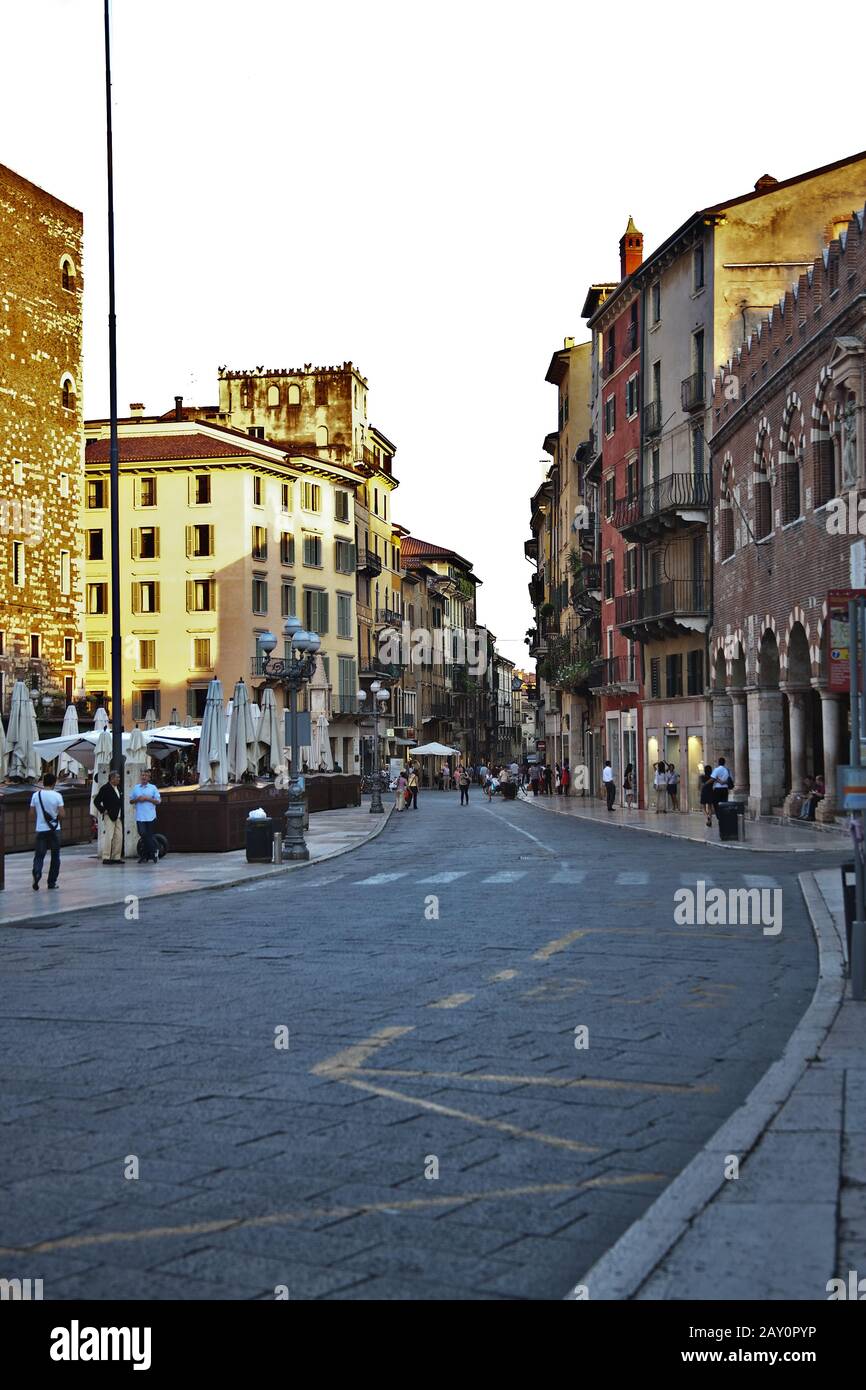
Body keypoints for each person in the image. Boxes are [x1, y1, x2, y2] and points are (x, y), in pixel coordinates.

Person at [31, 770, 64, 890]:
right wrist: (55, 821)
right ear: (54, 783)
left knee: (39, 855)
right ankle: (51, 882)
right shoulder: (57, 796)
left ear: (43, 783)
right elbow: (62, 813)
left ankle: (37, 871)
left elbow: (31, 813)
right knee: (55, 856)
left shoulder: (36, 795)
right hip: (55, 830)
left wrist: (40, 820)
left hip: (40, 829)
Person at [130, 769, 162, 862]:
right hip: (140, 816)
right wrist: (137, 800)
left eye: (146, 775)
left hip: (150, 816)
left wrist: (148, 799)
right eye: (142, 775)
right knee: (143, 834)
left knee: (149, 835)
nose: (144, 777)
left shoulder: (153, 788)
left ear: (149, 777)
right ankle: (154, 850)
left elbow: (158, 801)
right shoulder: (136, 788)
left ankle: (145, 855)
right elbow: (131, 801)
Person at [94, 770, 123, 864]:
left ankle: (116, 857)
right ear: (111, 778)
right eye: (117, 777)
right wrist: (103, 810)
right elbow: (96, 801)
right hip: (109, 816)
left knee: (118, 836)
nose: (119, 779)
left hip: (118, 815)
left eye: (119, 777)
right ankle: (106, 857)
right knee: (109, 836)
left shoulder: (118, 788)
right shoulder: (105, 788)